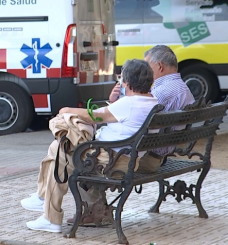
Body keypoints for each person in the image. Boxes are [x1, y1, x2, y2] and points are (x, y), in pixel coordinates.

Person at [21, 59, 159, 233]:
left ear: (128, 83)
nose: (120, 82)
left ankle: (49, 214)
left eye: (121, 79)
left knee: (60, 148)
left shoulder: (129, 104)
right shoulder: (152, 102)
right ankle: (44, 201)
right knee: (59, 148)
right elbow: (117, 116)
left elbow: (93, 115)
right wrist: (113, 100)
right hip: (125, 158)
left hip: (110, 161)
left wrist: (65, 110)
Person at [64, 45, 195, 226]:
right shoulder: (181, 87)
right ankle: (94, 208)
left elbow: (132, 112)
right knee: (93, 155)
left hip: (147, 158)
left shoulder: (160, 92)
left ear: (159, 66)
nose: (146, 72)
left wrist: (116, 103)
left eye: (147, 66)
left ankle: (96, 210)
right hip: (156, 152)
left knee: (80, 159)